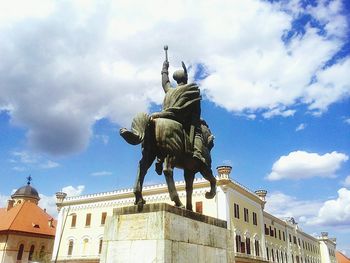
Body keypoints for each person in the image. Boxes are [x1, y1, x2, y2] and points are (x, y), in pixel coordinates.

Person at [150, 60, 206, 174]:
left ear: (176, 80)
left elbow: (165, 82)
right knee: (198, 134)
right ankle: (197, 153)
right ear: (185, 79)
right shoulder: (191, 90)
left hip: (163, 117)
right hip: (180, 121)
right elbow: (195, 114)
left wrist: (164, 68)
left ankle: (160, 158)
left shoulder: (169, 90)